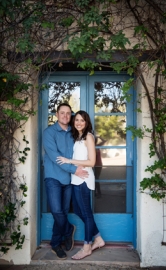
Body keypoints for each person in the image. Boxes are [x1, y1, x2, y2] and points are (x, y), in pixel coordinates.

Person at [42, 103, 89, 259]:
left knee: (61, 212)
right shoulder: (49, 132)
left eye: (68, 113)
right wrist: (74, 169)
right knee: (56, 211)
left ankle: (56, 244)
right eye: (62, 113)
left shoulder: (74, 133)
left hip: (69, 180)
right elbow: (56, 157)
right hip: (53, 178)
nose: (65, 116)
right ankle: (68, 230)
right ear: (56, 114)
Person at [57, 110, 106, 260]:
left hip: (84, 178)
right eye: (76, 120)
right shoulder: (77, 136)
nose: (78, 123)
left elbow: (91, 162)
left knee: (86, 213)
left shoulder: (88, 137)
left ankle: (86, 246)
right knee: (79, 210)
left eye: (82, 120)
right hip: (76, 178)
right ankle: (98, 238)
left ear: (87, 122)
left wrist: (69, 161)